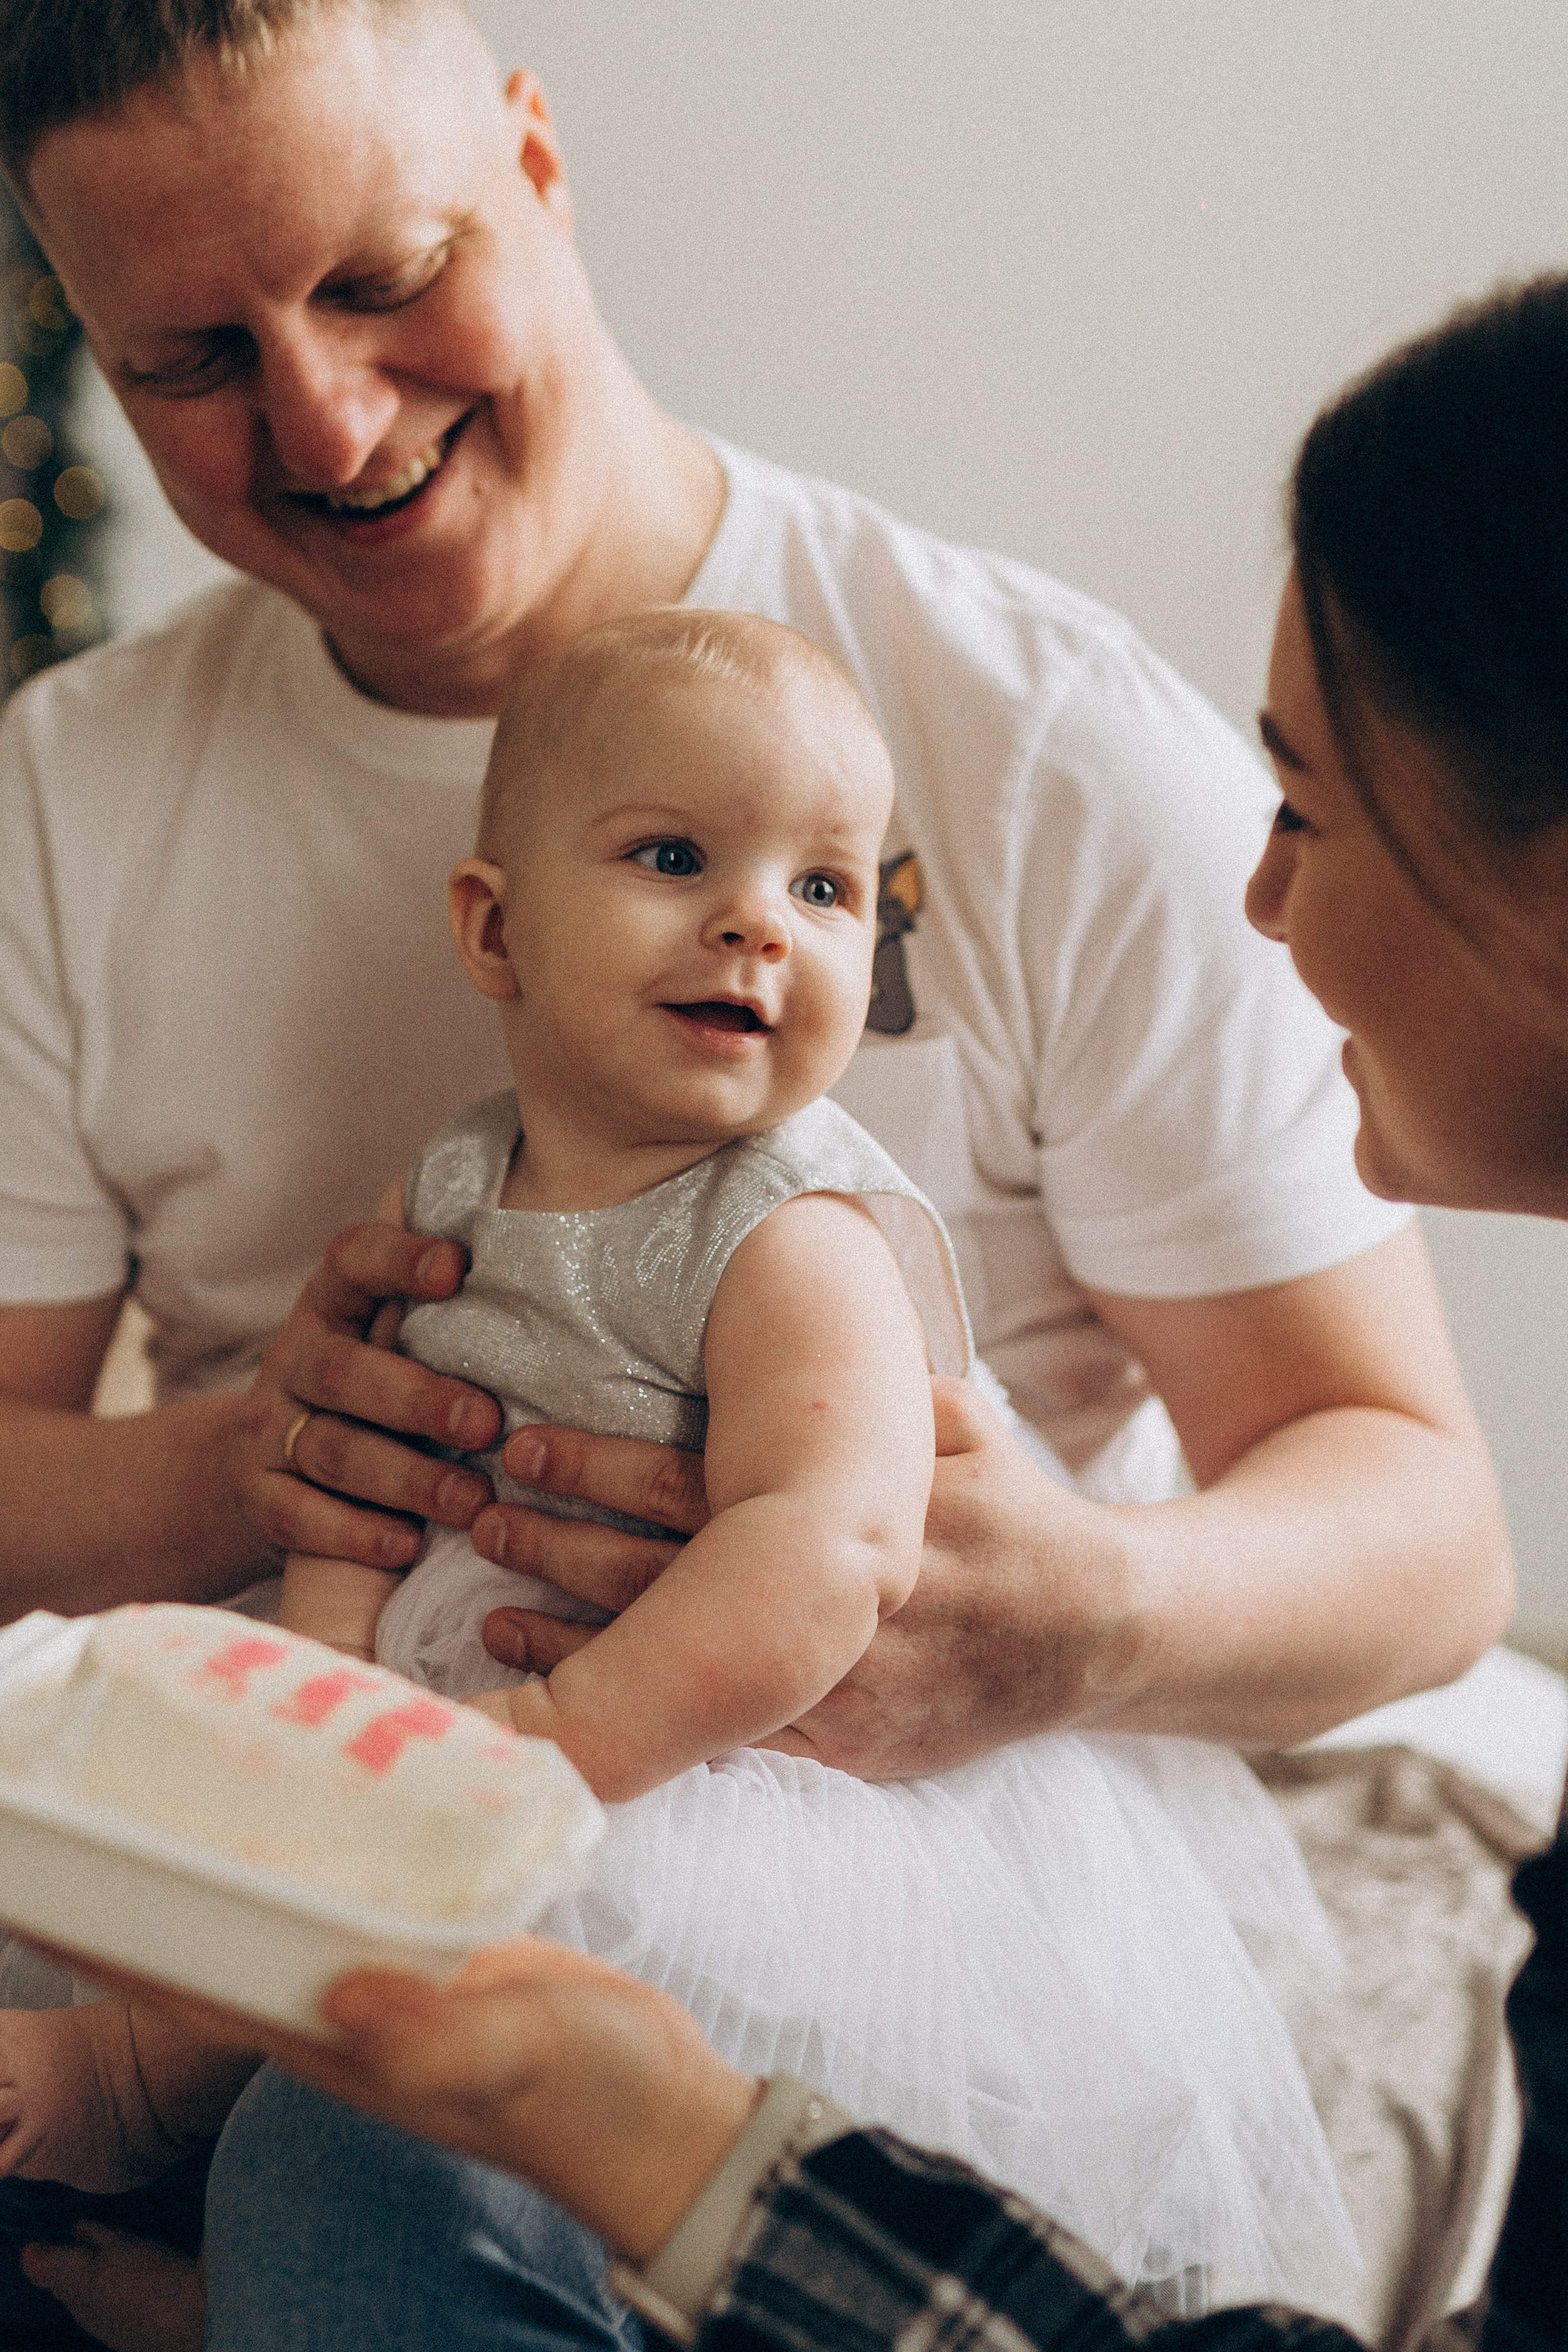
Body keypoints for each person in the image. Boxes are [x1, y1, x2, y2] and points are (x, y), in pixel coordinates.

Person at [0, 0, 1514, 2336]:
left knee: (381, 2165)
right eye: (189, 360)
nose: (324, 421)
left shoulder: (1033, 738)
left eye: (386, 277)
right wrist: (263, 1468)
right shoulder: (72, 793)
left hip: (826, 1875)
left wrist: (1073, 1613)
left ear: (534, 157)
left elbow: (1422, 1531)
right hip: (321, 1761)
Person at [0, 611, 1357, 2336]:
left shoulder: (796, 1233)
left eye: (826, 888)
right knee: (260, 1890)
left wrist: (562, 1747)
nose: (756, 923)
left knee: (432, 2067)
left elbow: (828, 1548)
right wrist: (321, 1690)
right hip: (466, 1701)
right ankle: (190, 2164)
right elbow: (366, 1471)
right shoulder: (455, 1178)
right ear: (494, 928)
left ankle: (215, 2177)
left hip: (697, 1761)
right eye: (673, 859)